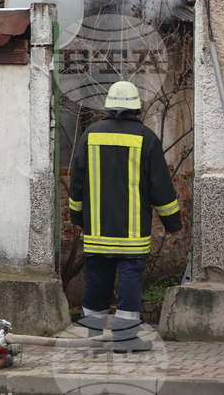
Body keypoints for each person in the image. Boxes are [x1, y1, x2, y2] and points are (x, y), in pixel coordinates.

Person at [68, 80, 183, 352]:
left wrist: (78, 217)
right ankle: (125, 338)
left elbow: (77, 182)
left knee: (97, 279)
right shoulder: (146, 137)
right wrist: (172, 223)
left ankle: (93, 338)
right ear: (136, 108)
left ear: (108, 106)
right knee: (130, 279)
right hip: (132, 232)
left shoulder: (91, 134)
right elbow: (160, 187)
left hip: (97, 227)